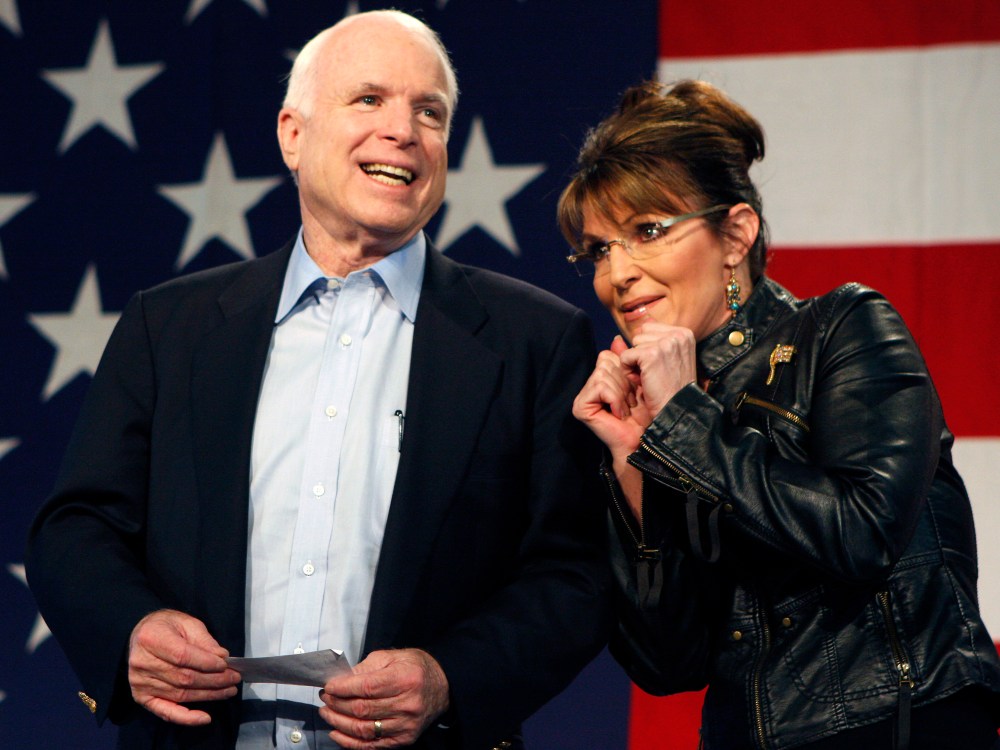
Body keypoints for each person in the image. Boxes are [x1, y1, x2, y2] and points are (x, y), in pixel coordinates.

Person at [25, 10, 610, 750]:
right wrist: (131, 630)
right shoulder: (168, 327)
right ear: (292, 134)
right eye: (368, 99)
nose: (403, 130)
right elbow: (75, 528)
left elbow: (573, 574)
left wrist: (448, 677)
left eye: (429, 112)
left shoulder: (534, 339)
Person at [557, 79, 1000, 749]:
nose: (615, 274)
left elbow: (862, 534)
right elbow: (666, 666)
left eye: (646, 231)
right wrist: (631, 466)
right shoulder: (661, 416)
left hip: (899, 730)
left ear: (735, 234)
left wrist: (682, 421)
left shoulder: (845, 328)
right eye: (599, 249)